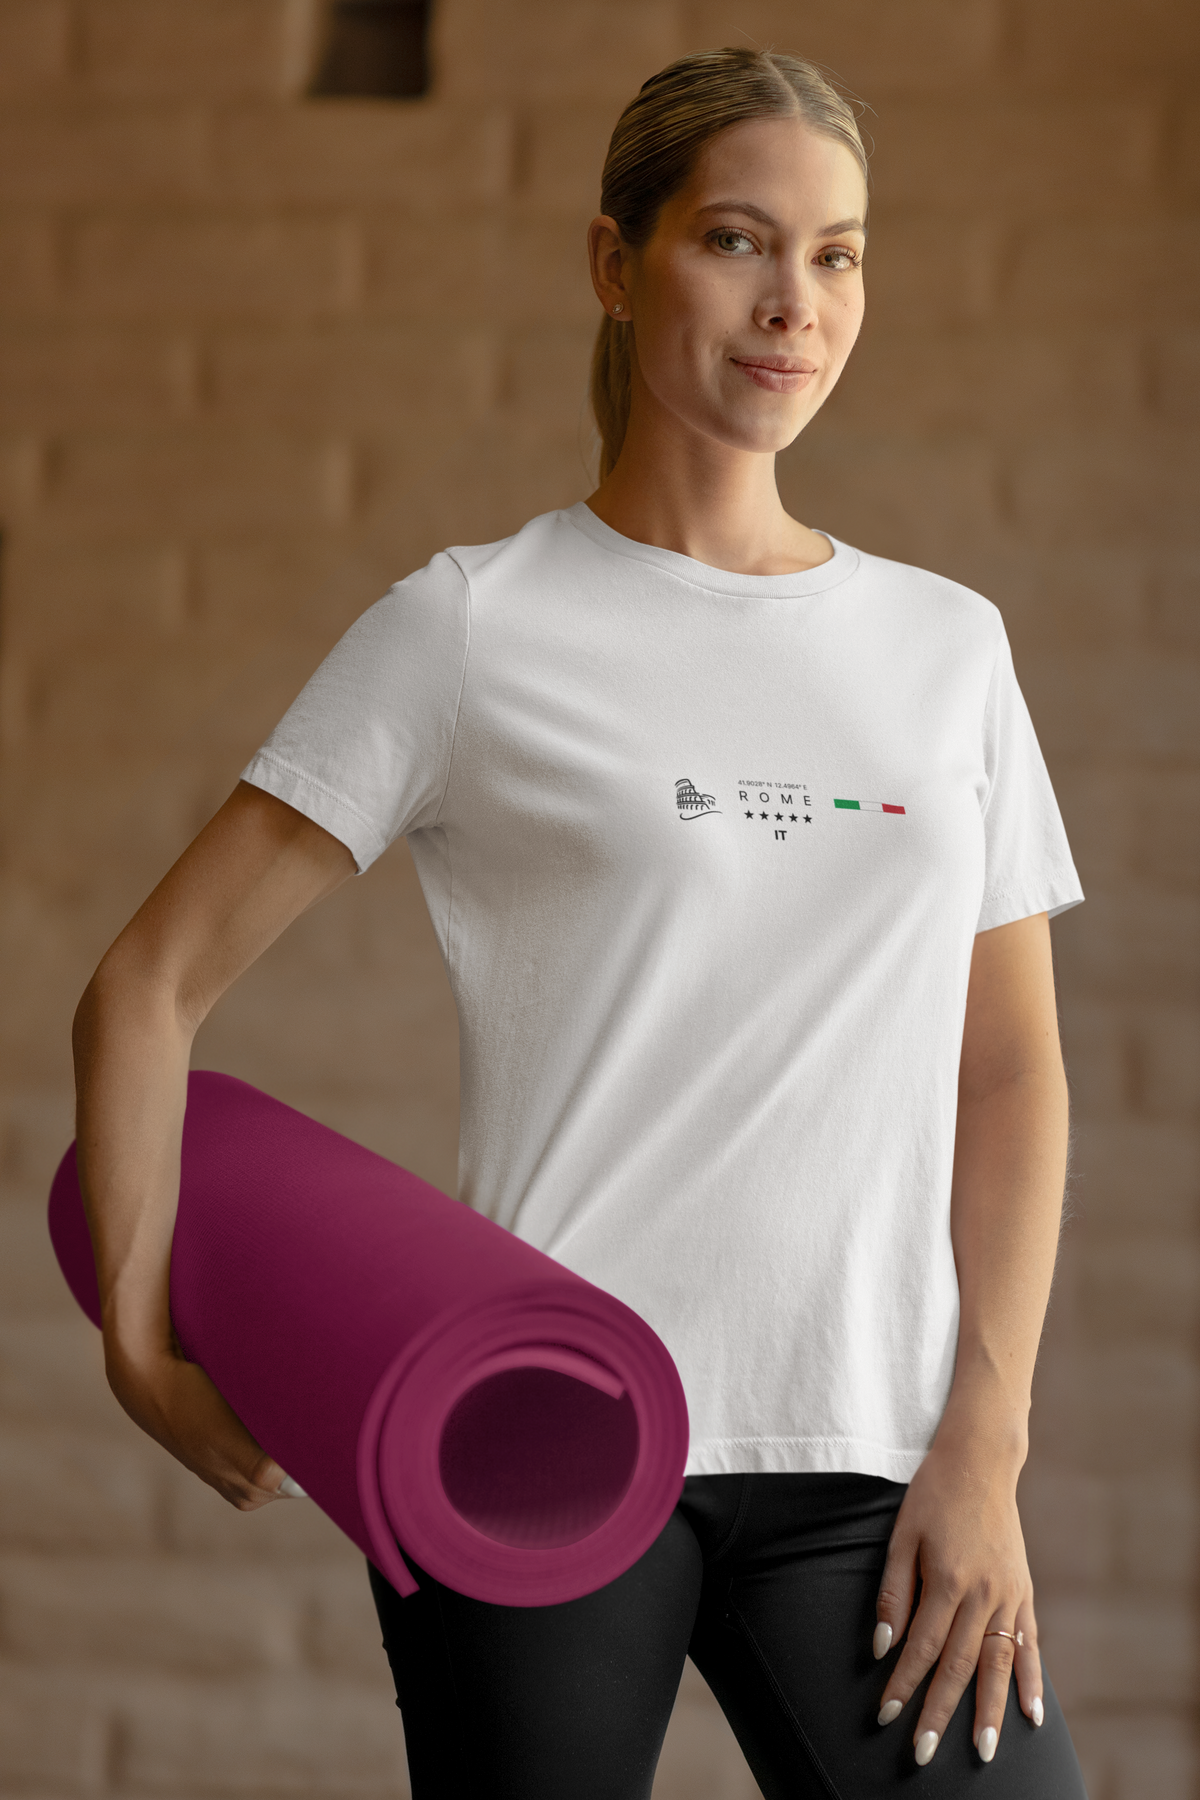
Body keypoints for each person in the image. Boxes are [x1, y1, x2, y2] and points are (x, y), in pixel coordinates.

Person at [71, 47, 1090, 1800]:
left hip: (875, 1455)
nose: (795, 306)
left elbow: (1010, 1079)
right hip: (541, 1424)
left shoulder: (948, 649)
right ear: (618, 264)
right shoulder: (473, 627)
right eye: (740, 243)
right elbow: (149, 988)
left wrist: (983, 1446)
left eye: (839, 255)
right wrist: (142, 1346)